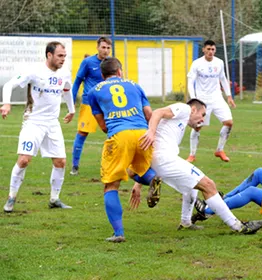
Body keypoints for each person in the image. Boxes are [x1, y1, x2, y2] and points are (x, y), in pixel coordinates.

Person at [129, 99, 262, 234]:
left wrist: (138, 183)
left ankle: (186, 222)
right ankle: (239, 227)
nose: (203, 119)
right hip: (165, 159)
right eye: (203, 114)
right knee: (208, 184)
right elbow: (158, 112)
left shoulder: (177, 122)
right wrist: (151, 132)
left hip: (158, 161)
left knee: (192, 187)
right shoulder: (184, 108)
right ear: (193, 109)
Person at [87, 57, 161, 243]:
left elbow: (103, 125)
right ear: (120, 71)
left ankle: (118, 233)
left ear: (102, 75)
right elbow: (149, 114)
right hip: (143, 133)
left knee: (111, 185)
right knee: (138, 170)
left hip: (120, 135)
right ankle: (153, 179)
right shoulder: (135, 86)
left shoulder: (93, 91)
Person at [1, 41, 75, 212]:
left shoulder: (64, 73)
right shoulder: (35, 71)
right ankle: (11, 198)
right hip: (33, 122)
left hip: (52, 123)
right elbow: (9, 85)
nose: (63, 59)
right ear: (49, 55)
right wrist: (7, 104)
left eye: (64, 56)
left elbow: (67, 90)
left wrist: (71, 110)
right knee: (24, 160)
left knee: (60, 162)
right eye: (60, 56)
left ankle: (54, 199)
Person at [186, 40, 235, 163]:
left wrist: (228, 96)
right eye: (208, 49)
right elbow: (190, 82)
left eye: (212, 49)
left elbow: (223, 79)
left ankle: (220, 150)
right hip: (202, 101)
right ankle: (192, 154)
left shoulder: (219, 62)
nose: (210, 52)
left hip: (217, 98)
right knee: (197, 127)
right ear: (203, 50)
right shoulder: (197, 64)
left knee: (229, 122)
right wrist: (194, 99)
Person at [70, 37, 112, 175]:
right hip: (89, 103)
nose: (105, 50)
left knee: (114, 133)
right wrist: (71, 102)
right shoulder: (88, 62)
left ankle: (112, 164)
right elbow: (77, 81)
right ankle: (75, 166)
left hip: (107, 104)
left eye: (108, 48)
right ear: (97, 47)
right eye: (103, 47)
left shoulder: (112, 64)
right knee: (82, 133)